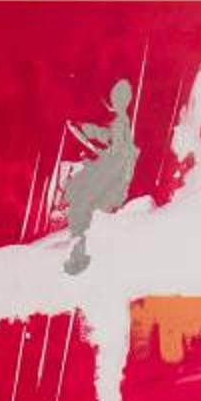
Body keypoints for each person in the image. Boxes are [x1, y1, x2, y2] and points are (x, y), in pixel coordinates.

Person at [63, 78, 137, 275]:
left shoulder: (121, 123)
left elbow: (115, 150)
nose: (111, 100)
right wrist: (87, 130)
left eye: (115, 96)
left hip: (114, 180)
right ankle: (79, 253)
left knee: (82, 205)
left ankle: (79, 258)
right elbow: (108, 139)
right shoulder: (120, 121)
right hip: (113, 175)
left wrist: (88, 135)